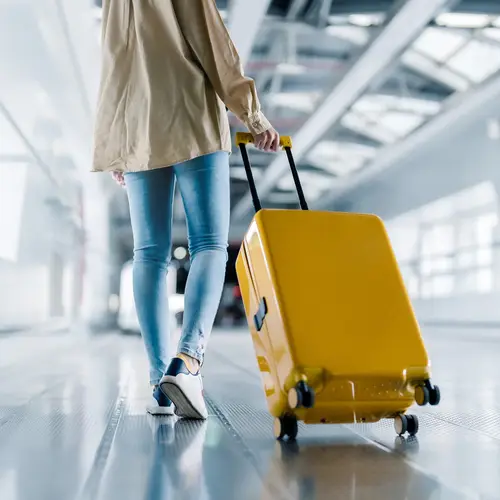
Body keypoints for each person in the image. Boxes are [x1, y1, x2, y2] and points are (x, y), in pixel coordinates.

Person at [92, 0, 279, 419]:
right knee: (210, 244)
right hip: (192, 113)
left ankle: (160, 383)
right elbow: (214, 44)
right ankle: (189, 359)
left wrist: (115, 144)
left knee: (149, 254)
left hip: (138, 124)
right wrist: (253, 115)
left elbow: (113, 61)